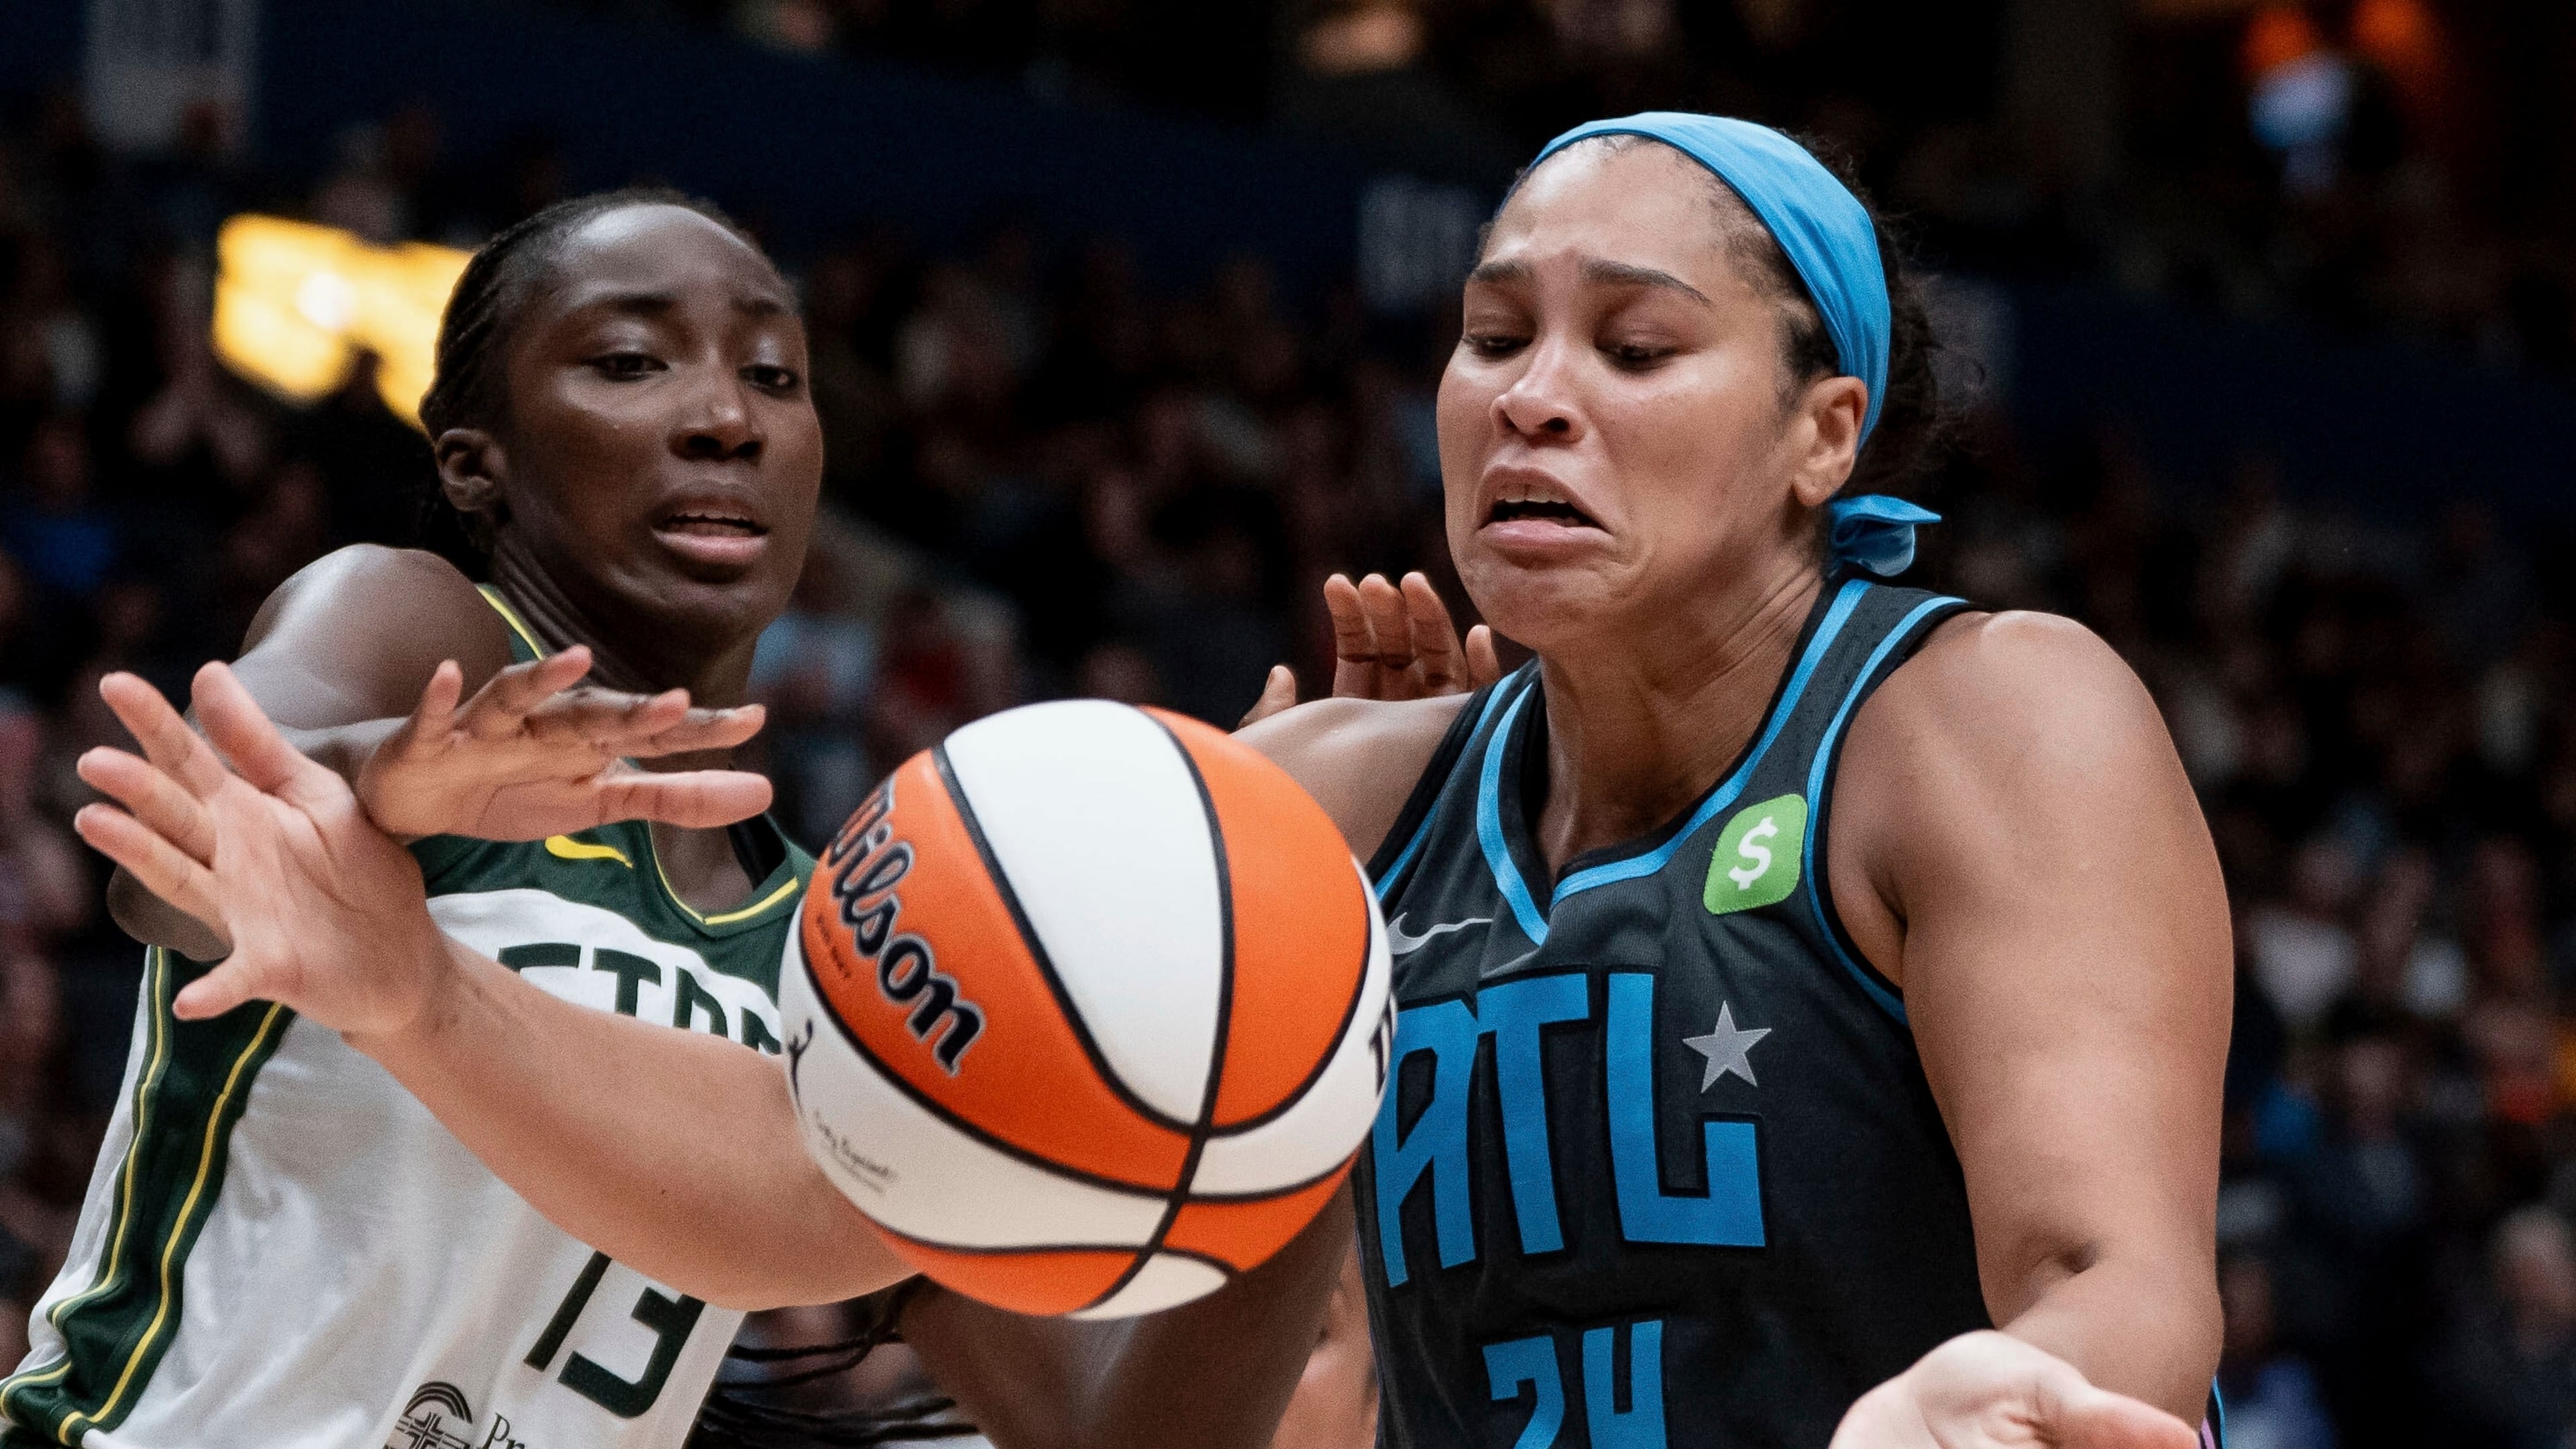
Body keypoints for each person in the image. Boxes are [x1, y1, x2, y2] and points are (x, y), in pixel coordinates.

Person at [67, 114, 2233, 1448]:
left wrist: (1982, 1405)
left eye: (1635, 349)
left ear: (1822, 433)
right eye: (1493, 338)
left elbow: (2116, 1279)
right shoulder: (1331, 803)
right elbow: (826, 1167)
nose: (1532, 402)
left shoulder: (1977, 714)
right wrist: (413, 993)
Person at [1, 188, 824, 1449]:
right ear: (472, 461)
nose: (726, 417)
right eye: (629, 362)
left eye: (774, 375)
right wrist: (372, 786)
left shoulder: (839, 933)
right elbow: (178, 859)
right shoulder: (414, 626)